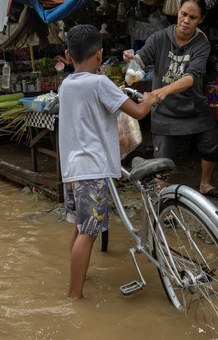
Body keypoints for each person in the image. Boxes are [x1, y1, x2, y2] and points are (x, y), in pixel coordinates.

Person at [59, 24, 156, 300]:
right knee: (89, 233)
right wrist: (149, 98)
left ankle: (79, 279)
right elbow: (137, 112)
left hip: (72, 169)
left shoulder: (66, 85)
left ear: (68, 55)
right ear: (100, 55)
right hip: (92, 170)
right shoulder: (100, 82)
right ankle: (74, 296)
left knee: (80, 228)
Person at [123, 0, 218, 200]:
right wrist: (131, 60)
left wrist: (162, 90)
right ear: (178, 12)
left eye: (193, 17)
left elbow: (191, 78)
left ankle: (205, 185)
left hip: (193, 106)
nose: (186, 20)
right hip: (165, 110)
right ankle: (163, 195)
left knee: (213, 146)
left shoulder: (201, 43)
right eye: (183, 14)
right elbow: (141, 61)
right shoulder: (160, 37)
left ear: (201, 20)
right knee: (161, 157)